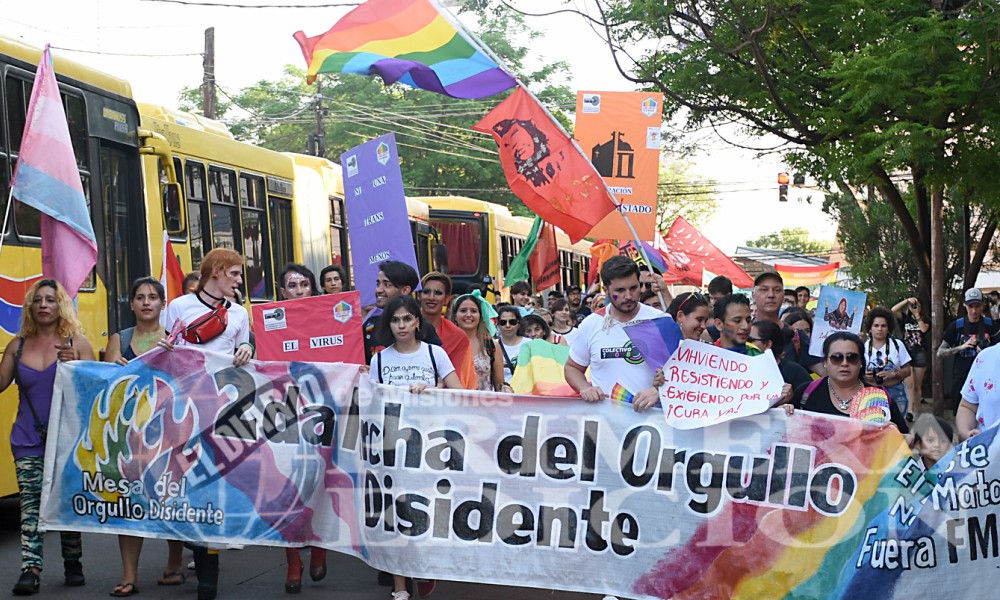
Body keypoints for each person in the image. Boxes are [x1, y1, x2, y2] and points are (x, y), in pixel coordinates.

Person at [160, 248, 253, 600]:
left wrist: (247, 351)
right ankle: (198, 555)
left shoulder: (239, 314)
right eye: (235, 274)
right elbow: (167, 350)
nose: (239, 281)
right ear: (216, 271)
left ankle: (207, 576)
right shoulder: (179, 307)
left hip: (220, 410)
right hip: (184, 409)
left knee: (212, 488)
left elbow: (244, 357)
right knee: (190, 488)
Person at [3, 279, 95, 596]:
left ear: (61, 306)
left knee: (65, 503)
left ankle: (73, 561)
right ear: (30, 307)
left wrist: (77, 366)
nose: (44, 305)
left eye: (51, 300)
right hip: (27, 438)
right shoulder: (17, 346)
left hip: (67, 439)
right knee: (31, 505)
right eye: (38, 300)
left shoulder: (76, 342)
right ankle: (30, 569)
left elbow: (94, 392)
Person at [369, 294, 462, 600]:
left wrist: (432, 389)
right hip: (392, 448)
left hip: (431, 447)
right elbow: (372, 403)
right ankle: (399, 585)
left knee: (426, 512)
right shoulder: (379, 360)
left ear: (417, 322)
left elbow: (460, 394)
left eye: (407, 319)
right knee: (397, 513)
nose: (402, 325)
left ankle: (424, 568)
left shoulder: (435, 354)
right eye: (395, 320)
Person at [105, 278, 186, 596]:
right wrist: (115, 368)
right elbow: (105, 382)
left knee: (170, 500)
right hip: (129, 434)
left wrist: (174, 357)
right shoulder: (120, 339)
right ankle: (129, 576)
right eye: (140, 297)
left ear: (163, 303)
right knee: (128, 504)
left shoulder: (175, 338)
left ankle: (174, 565)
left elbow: (190, 382)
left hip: (168, 432)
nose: (147, 302)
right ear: (132, 304)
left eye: (153, 297)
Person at [565, 256, 665, 412]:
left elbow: (682, 373)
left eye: (633, 288)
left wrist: (658, 391)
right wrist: (584, 388)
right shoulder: (591, 324)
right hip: (606, 422)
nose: (628, 296)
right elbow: (572, 367)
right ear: (606, 291)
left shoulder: (661, 321)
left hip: (653, 421)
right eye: (620, 290)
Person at [795, 332, 909, 432]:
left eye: (852, 357)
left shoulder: (879, 397)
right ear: (825, 362)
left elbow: (906, 440)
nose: (844, 363)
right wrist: (787, 410)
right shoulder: (806, 393)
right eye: (836, 357)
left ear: (861, 362)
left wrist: (895, 434)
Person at [362, 261, 441, 364]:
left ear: (405, 290)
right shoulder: (370, 325)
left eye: (387, 285)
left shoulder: (423, 327)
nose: (379, 290)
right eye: (378, 284)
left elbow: (438, 365)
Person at [938, 288, 999, 412]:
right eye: (971, 306)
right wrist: (961, 347)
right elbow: (940, 353)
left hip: (985, 379)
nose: (974, 311)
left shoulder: (991, 325)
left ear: (982, 305)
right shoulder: (957, 326)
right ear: (965, 305)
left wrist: (986, 353)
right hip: (962, 378)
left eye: (977, 306)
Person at [753, 271, 823, 376]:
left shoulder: (797, 337)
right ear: (753, 295)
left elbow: (825, 371)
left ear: (783, 296)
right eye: (764, 290)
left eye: (777, 290)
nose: (771, 295)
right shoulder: (741, 333)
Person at [419, 272, 477, 390]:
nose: (431, 297)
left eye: (438, 293)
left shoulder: (457, 337)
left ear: (447, 299)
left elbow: (460, 382)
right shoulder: (404, 330)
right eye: (426, 292)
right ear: (419, 295)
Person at [451, 293, 507, 392]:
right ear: (455, 316)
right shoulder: (446, 344)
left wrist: (505, 388)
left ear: (480, 316)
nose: (468, 315)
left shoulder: (491, 345)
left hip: (485, 401)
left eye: (473, 311)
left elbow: (499, 384)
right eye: (463, 311)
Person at [863, 307, 912, 418]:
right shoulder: (862, 347)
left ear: (889, 328)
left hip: (896, 393)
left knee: (897, 426)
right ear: (870, 328)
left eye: (883, 326)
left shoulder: (897, 345)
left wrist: (893, 374)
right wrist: (865, 375)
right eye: (876, 326)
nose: (880, 329)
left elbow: (908, 370)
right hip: (871, 393)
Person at [751, 319, 808, 406]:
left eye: (751, 340)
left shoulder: (795, 372)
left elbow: (811, 405)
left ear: (768, 344)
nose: (745, 343)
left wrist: (792, 399)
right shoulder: (742, 369)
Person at [892, 296, 929, 419]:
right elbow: (893, 310)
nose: (913, 307)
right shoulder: (905, 318)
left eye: (916, 305)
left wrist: (917, 314)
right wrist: (907, 300)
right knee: (909, 384)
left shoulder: (924, 319)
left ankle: (917, 411)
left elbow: (923, 329)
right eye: (912, 305)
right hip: (906, 353)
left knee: (917, 386)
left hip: (919, 353)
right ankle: (909, 411)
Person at [496, 306, 527, 383]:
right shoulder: (493, 345)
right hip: (501, 389)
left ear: (519, 324)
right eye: (503, 322)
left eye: (512, 322)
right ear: (498, 325)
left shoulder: (529, 344)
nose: (508, 325)